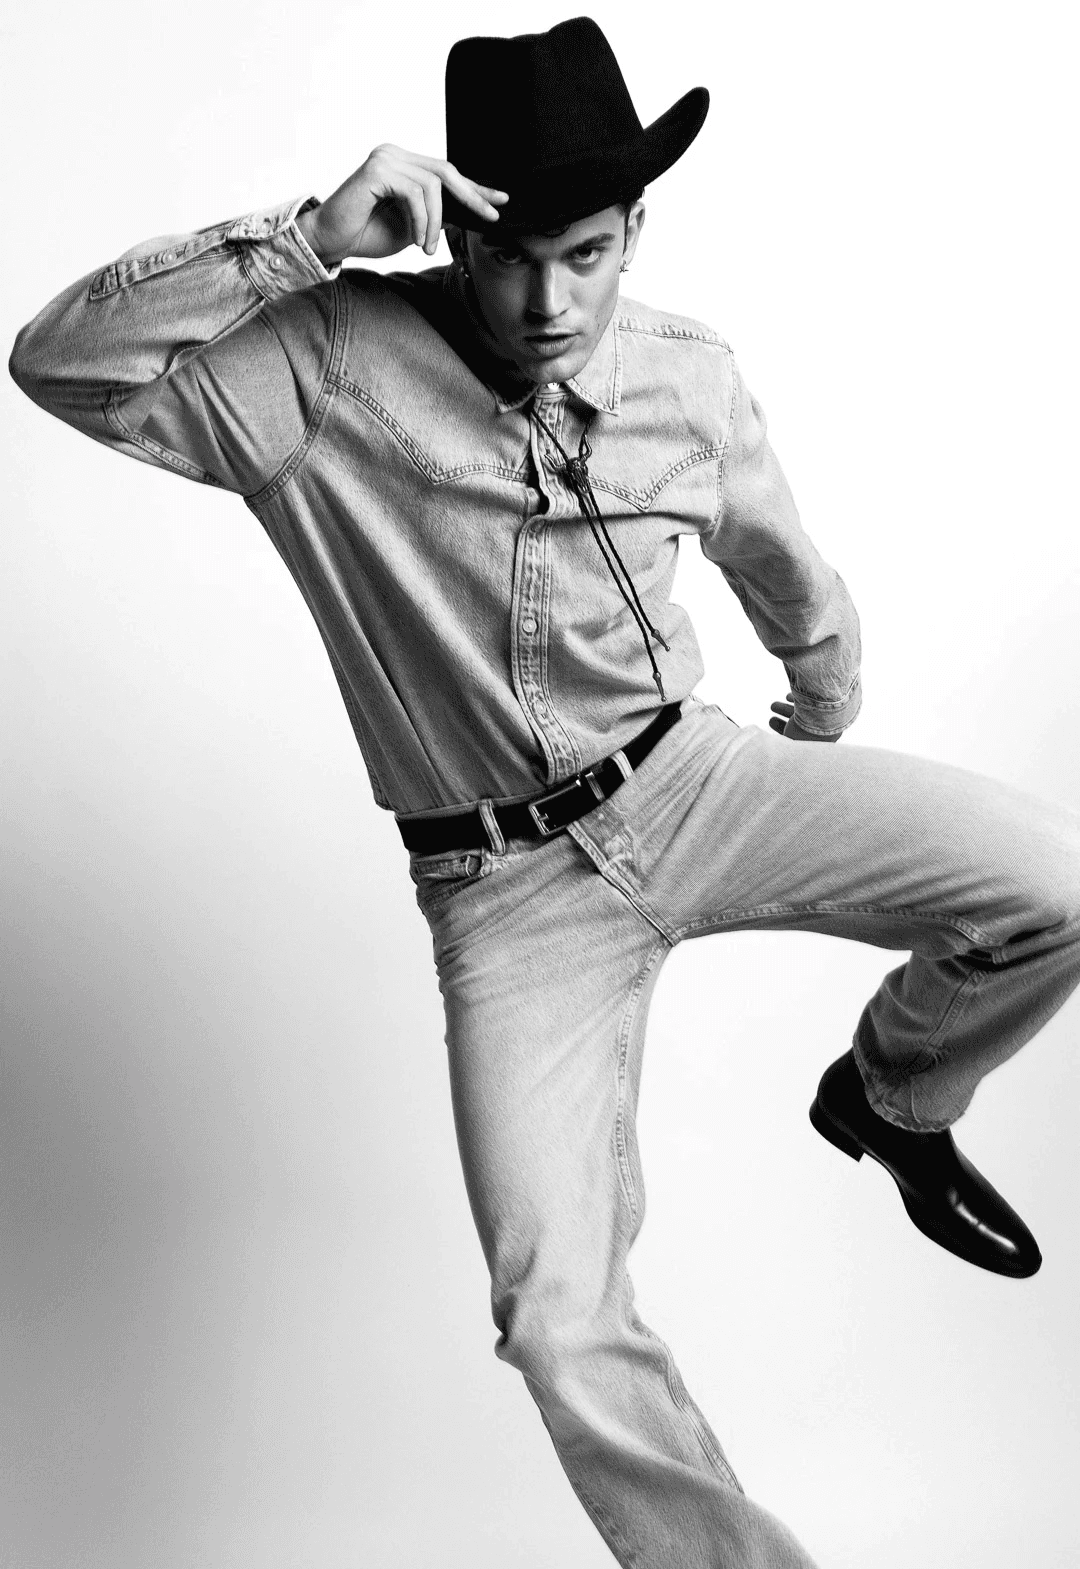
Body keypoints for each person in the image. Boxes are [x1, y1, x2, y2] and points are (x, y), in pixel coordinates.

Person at [10, 16, 1080, 1568]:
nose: (549, 301)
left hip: (697, 782)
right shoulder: (322, 367)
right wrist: (306, 240)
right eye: (512, 257)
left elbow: (784, 565)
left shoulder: (687, 377)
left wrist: (821, 707)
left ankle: (896, 1097)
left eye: (586, 256)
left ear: (638, 230)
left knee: (1059, 887)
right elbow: (60, 363)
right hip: (505, 896)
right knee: (556, 1315)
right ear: (455, 229)